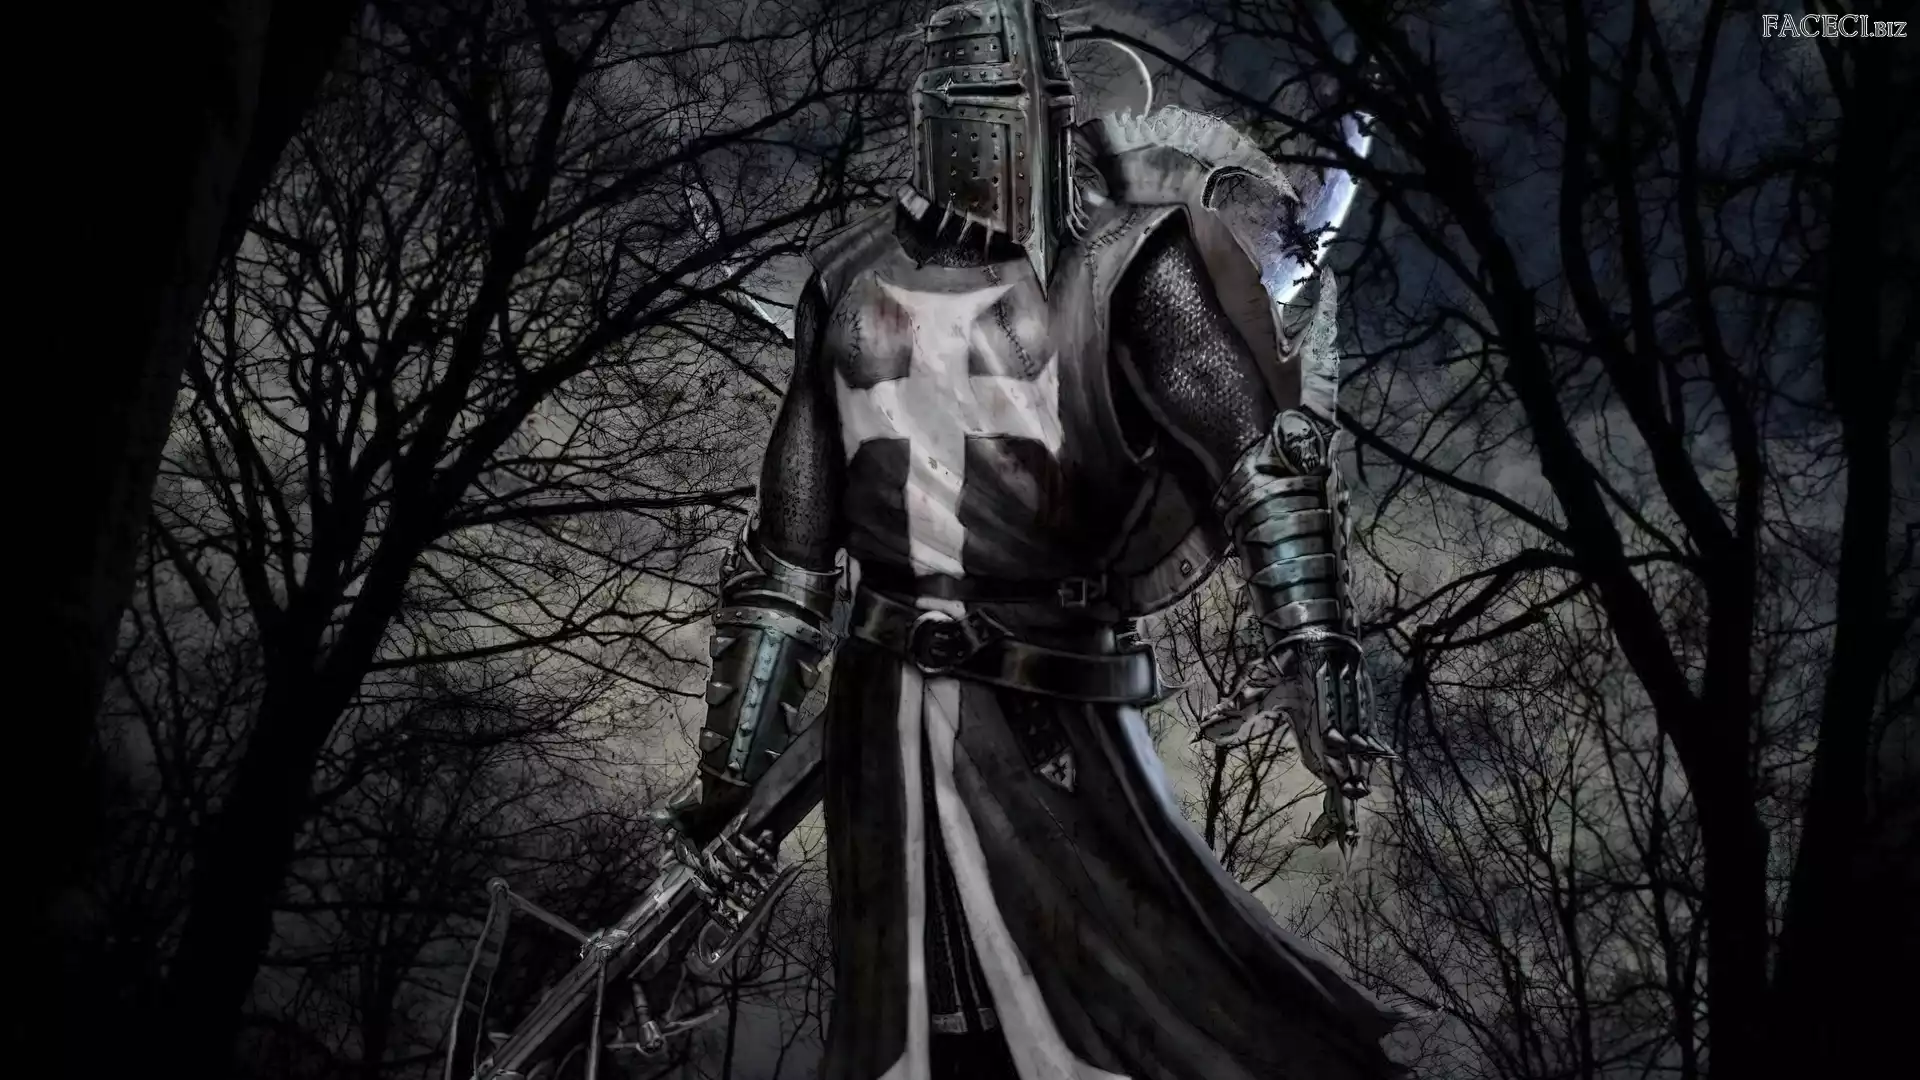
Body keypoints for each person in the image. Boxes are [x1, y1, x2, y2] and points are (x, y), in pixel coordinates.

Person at [673, 2, 1403, 1076]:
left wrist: (1313, 637)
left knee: (1143, 1012)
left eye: (1038, 107)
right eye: (992, 106)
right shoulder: (844, 282)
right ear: (935, 115)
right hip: (880, 717)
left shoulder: (1127, 263)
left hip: (1056, 707)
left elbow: (1258, 452)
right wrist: (731, 790)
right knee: (908, 1030)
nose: (1016, 136)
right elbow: (789, 561)